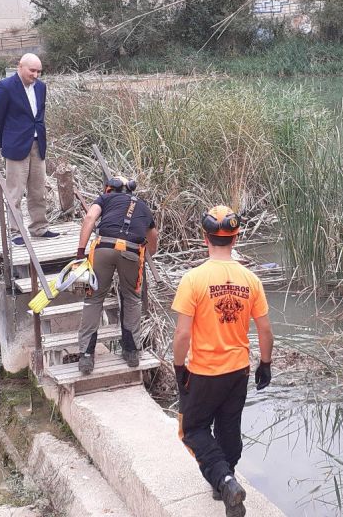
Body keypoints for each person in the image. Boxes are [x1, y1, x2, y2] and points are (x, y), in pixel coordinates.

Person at [172, 205, 274, 517]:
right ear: (235, 238)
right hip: (238, 370)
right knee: (229, 428)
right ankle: (224, 488)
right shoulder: (250, 280)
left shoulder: (193, 279)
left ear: (205, 238)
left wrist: (179, 371)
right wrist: (265, 364)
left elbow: (182, 336)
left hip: (204, 371)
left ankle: (225, 481)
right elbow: (266, 329)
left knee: (192, 429)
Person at [76, 176, 158, 373]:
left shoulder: (105, 199)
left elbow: (89, 218)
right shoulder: (144, 206)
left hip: (103, 247)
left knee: (93, 299)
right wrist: (149, 255)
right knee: (131, 298)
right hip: (131, 251)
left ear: (109, 189)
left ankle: (86, 356)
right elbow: (153, 236)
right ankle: (131, 352)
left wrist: (80, 252)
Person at [0, 53, 59, 245]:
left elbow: (39, 116)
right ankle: (15, 232)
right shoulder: (6, 86)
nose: (36, 75)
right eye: (32, 70)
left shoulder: (41, 87)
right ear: (20, 67)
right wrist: (4, 143)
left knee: (38, 190)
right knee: (15, 192)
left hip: (38, 144)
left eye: (39, 71)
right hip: (15, 146)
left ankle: (39, 227)